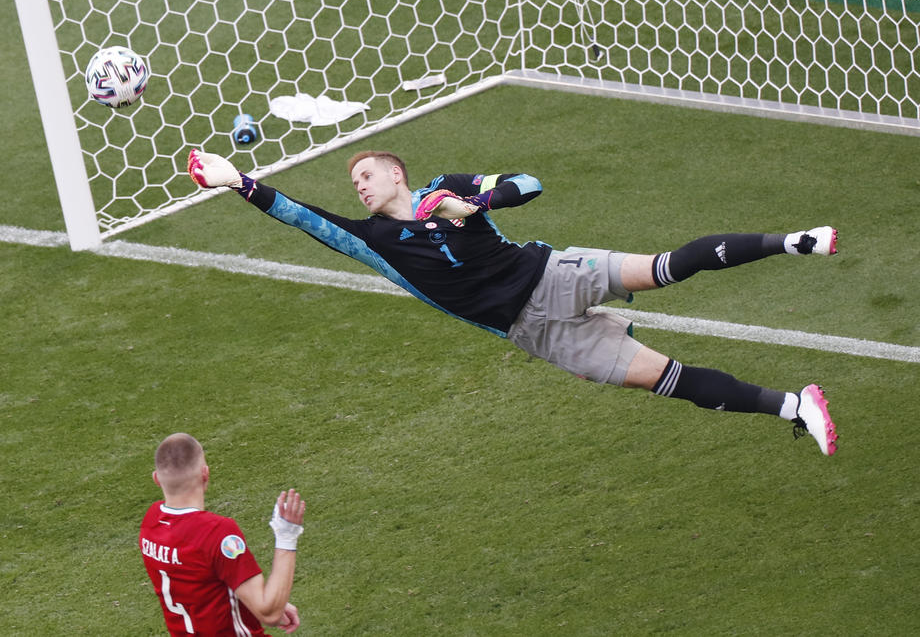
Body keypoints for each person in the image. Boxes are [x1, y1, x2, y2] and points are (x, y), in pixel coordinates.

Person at [187, 149, 838, 456]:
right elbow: (302, 216)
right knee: (666, 379)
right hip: (535, 332)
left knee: (663, 268)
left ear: (396, 173)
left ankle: (793, 241)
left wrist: (476, 204)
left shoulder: (445, 188)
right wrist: (238, 182)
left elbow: (529, 182)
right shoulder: (373, 241)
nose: (358, 186)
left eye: (365, 174)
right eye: (353, 181)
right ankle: (796, 405)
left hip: (553, 273)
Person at [139, 433, 307, 635]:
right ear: (205, 474)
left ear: (156, 479)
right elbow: (268, 613)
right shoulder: (216, 532)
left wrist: (257, 599)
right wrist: (287, 535)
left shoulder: (152, 520)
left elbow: (199, 581)